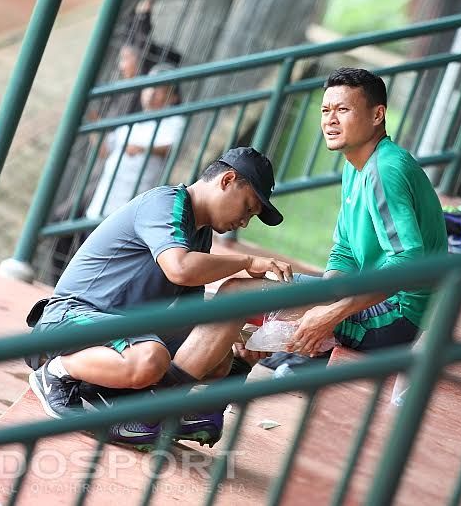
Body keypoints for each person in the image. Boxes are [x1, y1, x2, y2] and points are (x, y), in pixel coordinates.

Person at [27, 147, 292, 447]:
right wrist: (247, 262)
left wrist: (238, 349)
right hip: (71, 319)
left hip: (121, 332)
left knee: (218, 359)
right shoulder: (165, 203)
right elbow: (180, 268)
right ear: (227, 180)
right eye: (247, 208)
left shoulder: (200, 233)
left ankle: (137, 407)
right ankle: (57, 373)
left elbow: (190, 316)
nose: (244, 222)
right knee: (150, 358)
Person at [222, 67, 448, 359]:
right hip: (369, 299)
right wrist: (323, 300)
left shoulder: (385, 169)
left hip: (397, 316)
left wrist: (330, 314)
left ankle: (184, 387)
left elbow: (407, 261)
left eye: (343, 109)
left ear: (377, 115)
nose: (330, 119)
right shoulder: (355, 166)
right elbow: (345, 249)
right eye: (325, 110)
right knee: (249, 320)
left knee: (236, 298)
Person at [86, 64, 186, 219]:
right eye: (149, 86)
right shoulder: (131, 123)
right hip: (101, 206)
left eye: (160, 88)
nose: (151, 92)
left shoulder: (174, 121)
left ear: (173, 97)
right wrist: (93, 125)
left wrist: (143, 149)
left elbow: (170, 149)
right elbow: (104, 151)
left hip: (130, 211)